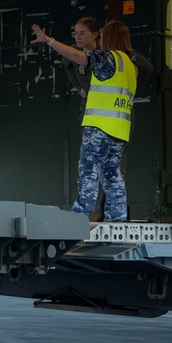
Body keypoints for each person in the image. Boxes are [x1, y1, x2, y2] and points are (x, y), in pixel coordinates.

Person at [31, 20, 138, 222]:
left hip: (100, 128)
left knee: (89, 170)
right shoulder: (131, 65)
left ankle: (79, 216)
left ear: (110, 38)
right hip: (120, 130)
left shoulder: (108, 58)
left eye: (104, 36)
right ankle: (118, 218)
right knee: (112, 175)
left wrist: (49, 41)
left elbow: (76, 56)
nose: (101, 39)